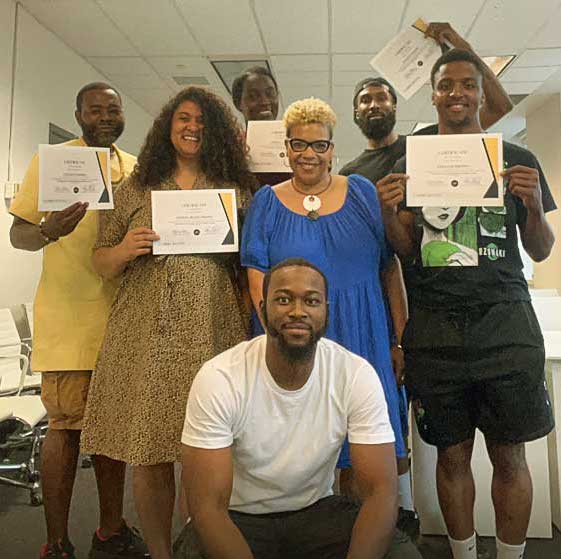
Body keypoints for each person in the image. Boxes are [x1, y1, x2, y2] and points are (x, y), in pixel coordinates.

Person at [377, 48, 556, 559]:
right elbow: (405, 248)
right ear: (432, 94)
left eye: (467, 84)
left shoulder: (517, 159)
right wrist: (390, 211)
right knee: (450, 456)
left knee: (510, 454)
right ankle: (463, 554)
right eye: (446, 85)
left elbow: (540, 249)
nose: (457, 93)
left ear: (482, 92)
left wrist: (533, 208)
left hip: (506, 324)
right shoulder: (408, 159)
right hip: (435, 327)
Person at [338, 22, 514, 537]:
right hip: (378, 300)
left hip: (432, 299)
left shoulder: (423, 147)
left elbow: (495, 109)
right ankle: (374, 521)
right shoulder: (350, 172)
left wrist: (453, 44)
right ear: (356, 113)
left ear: (398, 106)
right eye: (365, 100)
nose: (373, 106)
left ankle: (404, 519)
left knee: (408, 427)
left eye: (381, 98)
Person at [80, 86, 254, 559]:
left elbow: (251, 262)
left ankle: (202, 548)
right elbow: (100, 261)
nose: (192, 126)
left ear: (215, 131)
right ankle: (160, 552)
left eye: (201, 120)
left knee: (207, 454)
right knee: (151, 451)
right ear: (166, 126)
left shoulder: (234, 191)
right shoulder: (133, 188)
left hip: (212, 330)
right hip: (145, 332)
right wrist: (124, 250)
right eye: (183, 117)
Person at [240, 98, 415, 535]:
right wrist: (277, 340)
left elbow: (387, 266)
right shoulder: (267, 201)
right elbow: (256, 278)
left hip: (365, 332)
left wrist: (398, 337)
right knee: (303, 446)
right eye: (298, 144)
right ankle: (311, 538)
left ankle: (363, 538)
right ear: (286, 149)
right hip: (297, 336)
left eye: (319, 145)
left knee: (366, 452)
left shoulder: (360, 191)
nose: (309, 154)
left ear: (332, 148)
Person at [179, 258, 421, 559]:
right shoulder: (220, 377)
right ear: (263, 308)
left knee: (401, 554)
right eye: (283, 299)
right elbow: (207, 508)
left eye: (311, 300)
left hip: (316, 513)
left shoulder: (355, 374)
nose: (297, 311)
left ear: (326, 312)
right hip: (237, 517)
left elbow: (381, 493)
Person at [9, 82, 146, 559]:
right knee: (66, 427)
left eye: (113, 108)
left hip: (122, 320)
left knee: (111, 430)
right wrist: (49, 231)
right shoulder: (51, 162)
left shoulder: (133, 168)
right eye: (95, 110)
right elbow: (17, 235)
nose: (105, 116)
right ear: (78, 114)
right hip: (69, 318)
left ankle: (110, 530)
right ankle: (56, 542)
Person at [232, 65, 292, 192]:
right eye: (253, 96)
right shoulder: (231, 147)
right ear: (239, 104)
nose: (265, 101)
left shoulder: (294, 144)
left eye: (270, 94)